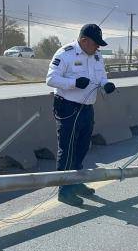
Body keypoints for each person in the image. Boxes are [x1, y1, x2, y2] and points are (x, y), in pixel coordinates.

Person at [46, 24, 116, 206]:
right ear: (84, 41)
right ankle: (64, 190)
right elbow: (50, 79)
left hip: (87, 107)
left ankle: (75, 182)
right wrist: (74, 83)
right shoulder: (65, 54)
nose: (98, 48)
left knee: (83, 146)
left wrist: (106, 85)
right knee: (67, 148)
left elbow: (101, 76)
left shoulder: (97, 56)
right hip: (67, 107)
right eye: (95, 44)